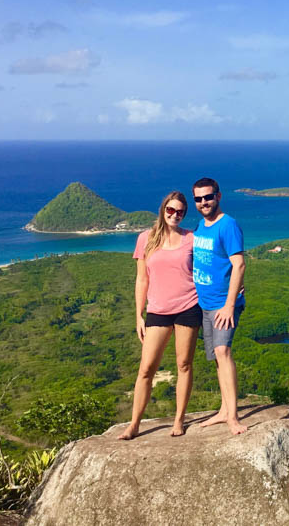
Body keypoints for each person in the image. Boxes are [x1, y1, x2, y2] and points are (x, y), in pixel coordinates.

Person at [118, 191, 201, 440]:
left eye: (180, 212)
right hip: (157, 310)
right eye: (171, 210)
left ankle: (179, 420)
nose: (175, 215)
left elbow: (209, 267)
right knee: (146, 369)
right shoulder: (146, 238)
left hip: (188, 306)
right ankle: (134, 424)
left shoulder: (192, 239)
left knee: (184, 365)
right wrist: (138, 315)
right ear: (163, 210)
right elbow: (142, 279)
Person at [192, 177, 247, 435]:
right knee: (216, 357)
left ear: (218, 196)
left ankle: (233, 417)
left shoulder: (228, 225)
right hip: (205, 304)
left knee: (223, 352)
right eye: (199, 198)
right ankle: (224, 409)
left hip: (223, 305)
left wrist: (229, 305)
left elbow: (239, 264)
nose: (204, 202)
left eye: (208, 196)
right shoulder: (201, 226)